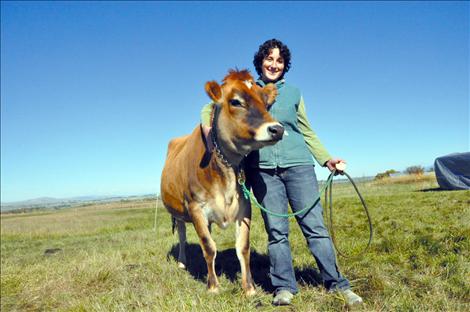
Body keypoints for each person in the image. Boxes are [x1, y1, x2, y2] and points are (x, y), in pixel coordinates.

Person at [200, 38, 363, 306]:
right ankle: (284, 287)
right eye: (269, 59)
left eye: (280, 60)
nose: (274, 64)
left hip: (298, 165)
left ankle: (337, 284)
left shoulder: (294, 92)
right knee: (277, 232)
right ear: (260, 61)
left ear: (285, 65)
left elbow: (306, 130)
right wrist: (206, 126)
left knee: (315, 228)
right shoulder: (246, 89)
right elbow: (211, 106)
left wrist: (326, 160)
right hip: (262, 170)